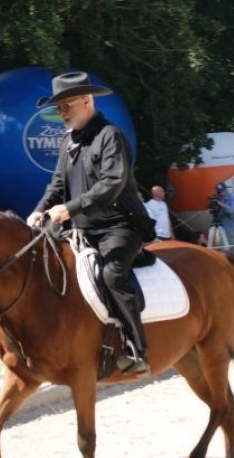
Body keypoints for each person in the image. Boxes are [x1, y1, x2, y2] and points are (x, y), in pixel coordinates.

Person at [26, 71, 153, 375]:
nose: (62, 113)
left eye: (66, 106)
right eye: (58, 109)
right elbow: (57, 184)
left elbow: (112, 183)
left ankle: (137, 351)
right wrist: (39, 210)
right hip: (81, 226)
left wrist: (68, 209)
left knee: (112, 274)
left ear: (87, 100)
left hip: (119, 225)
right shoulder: (69, 140)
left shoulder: (111, 136)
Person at [213, 182, 234, 254]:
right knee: (219, 249)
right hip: (220, 228)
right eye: (218, 192)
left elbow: (231, 211)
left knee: (231, 251)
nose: (220, 194)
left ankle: (233, 263)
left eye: (221, 192)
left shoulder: (232, 198)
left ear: (225, 190)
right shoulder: (218, 198)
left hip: (230, 229)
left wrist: (221, 204)